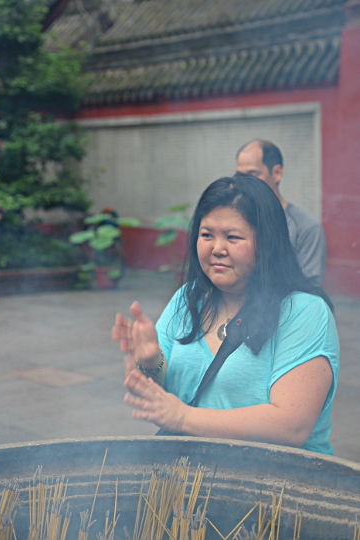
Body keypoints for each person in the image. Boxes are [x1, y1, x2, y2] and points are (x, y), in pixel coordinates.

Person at [112, 174, 339, 455]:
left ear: (267, 243)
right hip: (190, 476)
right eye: (207, 235)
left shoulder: (303, 311)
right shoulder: (188, 299)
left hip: (279, 485)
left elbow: (291, 424)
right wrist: (148, 363)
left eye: (232, 237)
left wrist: (184, 418)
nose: (217, 249)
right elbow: (152, 396)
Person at [235, 140, 326, 287]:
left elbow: (310, 289)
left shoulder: (306, 227)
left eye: (253, 174)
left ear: (277, 173)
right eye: (239, 175)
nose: (245, 182)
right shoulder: (234, 218)